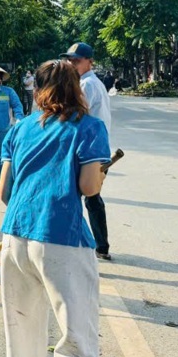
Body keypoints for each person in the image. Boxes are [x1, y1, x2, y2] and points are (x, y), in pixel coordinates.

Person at [0, 59, 111, 357]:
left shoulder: (21, 128)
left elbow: (5, 192)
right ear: (76, 87)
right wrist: (99, 170)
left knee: (21, 327)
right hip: (61, 240)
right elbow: (88, 187)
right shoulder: (88, 127)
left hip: (15, 238)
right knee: (77, 339)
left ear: (37, 88)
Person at [61, 43, 112, 260]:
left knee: (86, 196)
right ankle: (100, 245)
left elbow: (76, 114)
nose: (72, 64)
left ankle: (95, 245)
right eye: (70, 60)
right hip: (94, 149)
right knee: (92, 197)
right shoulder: (86, 82)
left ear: (89, 61)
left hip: (91, 151)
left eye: (77, 60)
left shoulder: (88, 84)